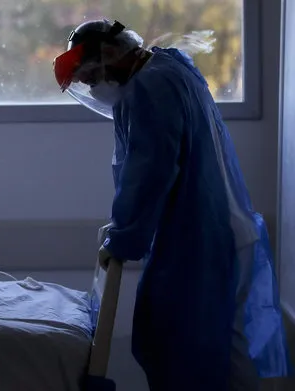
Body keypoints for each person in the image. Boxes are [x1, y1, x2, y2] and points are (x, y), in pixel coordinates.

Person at [53, 19, 291, 391]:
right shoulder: (172, 67)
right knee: (232, 345)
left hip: (203, 237)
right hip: (227, 226)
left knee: (179, 344)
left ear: (113, 53)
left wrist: (124, 237)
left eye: (93, 76)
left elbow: (148, 171)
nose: (95, 88)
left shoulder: (149, 88)